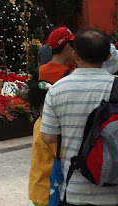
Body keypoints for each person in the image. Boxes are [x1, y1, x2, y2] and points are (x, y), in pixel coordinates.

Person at [41, 28, 118, 206]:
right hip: (114, 190)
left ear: (75, 55)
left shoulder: (57, 90)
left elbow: (48, 137)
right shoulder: (116, 86)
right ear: (108, 56)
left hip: (75, 189)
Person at [27, 82, 58, 206]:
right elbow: (60, 153)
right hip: (47, 189)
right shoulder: (46, 129)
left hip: (40, 187)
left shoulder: (39, 123)